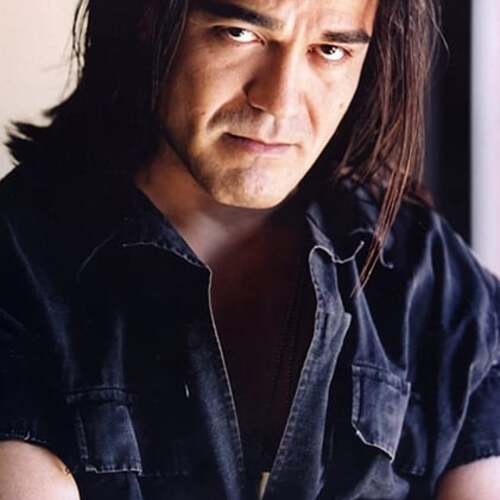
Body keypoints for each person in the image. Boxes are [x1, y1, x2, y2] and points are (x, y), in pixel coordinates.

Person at [0, 0, 499, 499]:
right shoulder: (19, 268)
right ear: (147, 22)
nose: (279, 102)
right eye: (239, 33)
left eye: (330, 50)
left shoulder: (431, 278)